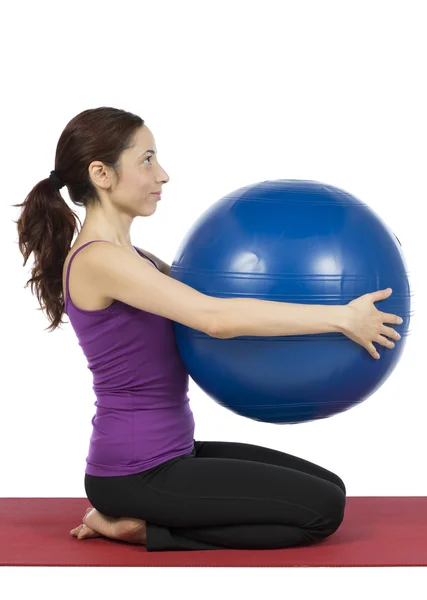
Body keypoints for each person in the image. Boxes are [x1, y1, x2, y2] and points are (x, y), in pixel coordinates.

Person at [14, 107, 403, 552]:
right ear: (101, 173)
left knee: (330, 486)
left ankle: (139, 516)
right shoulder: (100, 261)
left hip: (172, 451)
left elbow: (220, 296)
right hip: (136, 471)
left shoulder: (133, 258)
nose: (162, 175)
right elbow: (214, 318)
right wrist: (341, 319)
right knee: (322, 512)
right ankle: (137, 529)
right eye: (146, 160)